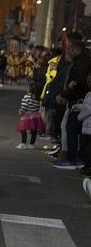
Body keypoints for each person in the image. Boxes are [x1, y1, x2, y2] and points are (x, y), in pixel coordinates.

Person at [54, 35, 91, 170]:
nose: (67, 51)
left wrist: (66, 92)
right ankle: (77, 158)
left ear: (76, 50)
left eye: (69, 49)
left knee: (71, 128)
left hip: (80, 101)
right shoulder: (82, 61)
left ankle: (72, 159)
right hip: (81, 100)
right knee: (77, 130)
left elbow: (78, 82)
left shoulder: (80, 64)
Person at [16, 82, 45, 149]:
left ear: (30, 89)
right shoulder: (38, 98)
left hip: (27, 116)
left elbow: (24, 106)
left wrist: (21, 112)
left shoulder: (26, 97)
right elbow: (38, 107)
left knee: (23, 129)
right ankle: (32, 144)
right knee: (34, 131)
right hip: (35, 116)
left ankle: (23, 143)